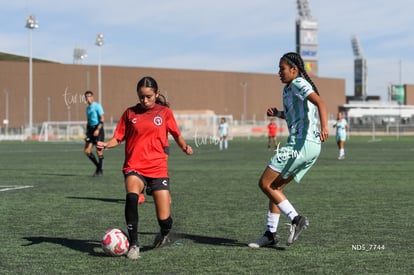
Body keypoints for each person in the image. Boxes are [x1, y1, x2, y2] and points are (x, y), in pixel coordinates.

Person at [97, 76, 193, 260]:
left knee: (165, 220)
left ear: (156, 94)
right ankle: (134, 245)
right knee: (132, 197)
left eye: (149, 96)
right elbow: (118, 137)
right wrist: (107, 145)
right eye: (141, 96)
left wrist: (184, 147)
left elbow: (176, 134)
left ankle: (164, 233)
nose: (145, 100)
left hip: (157, 168)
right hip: (135, 166)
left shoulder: (164, 112)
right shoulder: (129, 113)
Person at [248, 52, 329, 248]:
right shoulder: (289, 89)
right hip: (310, 146)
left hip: (301, 144)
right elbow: (295, 115)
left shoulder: (299, 83)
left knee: (264, 183)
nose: (279, 72)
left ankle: (296, 219)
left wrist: (325, 127)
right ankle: (270, 234)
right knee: (275, 188)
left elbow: (321, 103)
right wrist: (278, 114)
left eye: (282, 68)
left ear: (294, 69)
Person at [84, 91, 105, 177]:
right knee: (87, 151)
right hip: (91, 130)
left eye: (89, 96)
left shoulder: (97, 106)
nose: (87, 98)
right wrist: (87, 133)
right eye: (86, 97)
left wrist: (98, 129)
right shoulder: (87, 108)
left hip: (98, 129)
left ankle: (100, 171)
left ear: (92, 97)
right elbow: (88, 121)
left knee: (98, 151)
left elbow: (102, 119)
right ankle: (98, 167)